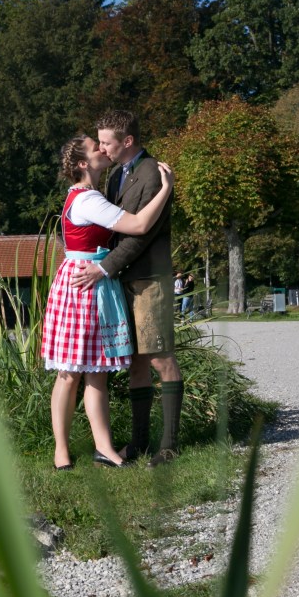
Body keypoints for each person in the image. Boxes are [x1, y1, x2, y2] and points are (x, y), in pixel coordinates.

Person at [41, 135, 174, 470]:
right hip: (85, 284)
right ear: (83, 163)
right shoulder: (88, 200)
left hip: (89, 280)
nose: (103, 148)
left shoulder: (88, 194)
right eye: (95, 147)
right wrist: (166, 189)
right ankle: (63, 451)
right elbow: (139, 225)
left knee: (92, 373)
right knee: (71, 372)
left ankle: (101, 448)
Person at [74, 109, 183, 467]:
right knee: (135, 361)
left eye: (106, 142)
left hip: (149, 278)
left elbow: (140, 234)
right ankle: (139, 443)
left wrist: (103, 268)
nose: (102, 148)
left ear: (128, 141)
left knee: (160, 357)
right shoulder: (117, 174)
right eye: (100, 142)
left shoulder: (152, 172)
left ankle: (169, 445)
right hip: (124, 279)